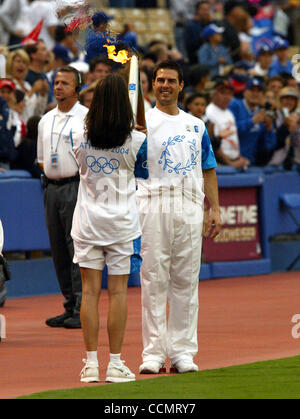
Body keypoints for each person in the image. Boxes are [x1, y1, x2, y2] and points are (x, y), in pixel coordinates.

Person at [137, 60, 222, 375]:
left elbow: (208, 168)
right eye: (160, 80)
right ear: (153, 84)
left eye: (171, 80)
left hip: (188, 205)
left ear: (181, 85)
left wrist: (214, 208)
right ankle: (154, 353)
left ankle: (183, 352)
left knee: (186, 281)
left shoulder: (196, 124)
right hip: (153, 203)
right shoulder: (141, 121)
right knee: (153, 280)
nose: (164, 85)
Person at [70, 73, 148, 383]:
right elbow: (143, 174)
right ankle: (115, 363)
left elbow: (80, 166)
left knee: (89, 292)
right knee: (118, 294)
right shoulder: (138, 140)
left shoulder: (78, 134)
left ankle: (90, 364)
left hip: (88, 223)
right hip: (121, 226)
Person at [37, 66, 88, 329]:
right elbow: (42, 159)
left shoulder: (86, 118)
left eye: (64, 83)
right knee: (58, 248)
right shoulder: (46, 119)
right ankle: (69, 305)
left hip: (76, 185)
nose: (58, 87)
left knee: (76, 248)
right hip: (52, 187)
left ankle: (81, 307)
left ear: (76, 88)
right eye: (56, 82)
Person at [229, 78, 277, 166]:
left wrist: (269, 128)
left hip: (251, 164)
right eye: (252, 90)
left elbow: (269, 146)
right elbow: (229, 131)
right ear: (244, 92)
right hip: (231, 162)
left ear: (262, 95)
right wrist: (252, 121)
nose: (255, 93)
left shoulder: (262, 113)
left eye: (258, 91)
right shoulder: (234, 105)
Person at [206, 79, 249, 169]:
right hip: (221, 164)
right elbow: (212, 144)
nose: (227, 97)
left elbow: (233, 139)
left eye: (229, 94)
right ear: (213, 94)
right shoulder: (209, 112)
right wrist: (230, 163)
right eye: (223, 93)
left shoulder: (229, 112)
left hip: (233, 161)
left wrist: (238, 158)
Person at [6, 49, 48, 123]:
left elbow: (38, 112)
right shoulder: (7, 84)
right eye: (18, 61)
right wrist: (33, 91)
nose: (21, 65)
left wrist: (43, 94)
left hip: (29, 130)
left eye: (24, 62)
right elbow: (17, 107)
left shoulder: (27, 85)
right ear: (10, 64)